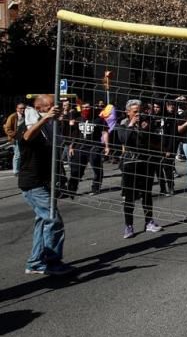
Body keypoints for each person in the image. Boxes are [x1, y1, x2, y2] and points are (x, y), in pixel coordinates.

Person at [17, 94, 74, 275]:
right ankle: (52, 263)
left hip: (43, 181)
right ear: (41, 108)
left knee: (43, 222)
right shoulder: (28, 124)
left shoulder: (49, 128)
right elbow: (26, 137)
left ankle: (35, 263)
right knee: (53, 220)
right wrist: (47, 118)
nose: (55, 108)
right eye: (51, 106)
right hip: (32, 183)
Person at [113, 99, 162, 239]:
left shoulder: (147, 123)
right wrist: (132, 124)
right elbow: (124, 140)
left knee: (147, 193)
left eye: (140, 111)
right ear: (128, 112)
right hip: (130, 163)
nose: (138, 114)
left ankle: (149, 221)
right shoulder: (122, 124)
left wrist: (146, 129)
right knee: (129, 197)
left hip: (146, 162)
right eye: (135, 112)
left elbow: (154, 140)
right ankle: (129, 226)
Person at [68, 102, 108, 196]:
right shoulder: (79, 119)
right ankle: (71, 189)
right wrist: (71, 147)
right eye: (84, 107)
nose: (86, 109)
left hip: (94, 147)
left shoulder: (99, 120)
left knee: (96, 168)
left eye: (88, 107)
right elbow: (75, 134)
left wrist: (107, 146)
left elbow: (105, 132)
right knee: (76, 169)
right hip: (80, 147)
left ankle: (95, 188)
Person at [4, 102, 26, 173]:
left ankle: (21, 168)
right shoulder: (13, 116)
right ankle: (16, 170)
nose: (22, 109)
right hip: (16, 138)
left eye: (23, 108)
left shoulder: (25, 115)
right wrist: (15, 135)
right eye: (21, 108)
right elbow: (7, 128)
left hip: (25, 138)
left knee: (24, 153)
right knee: (18, 154)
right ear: (17, 109)